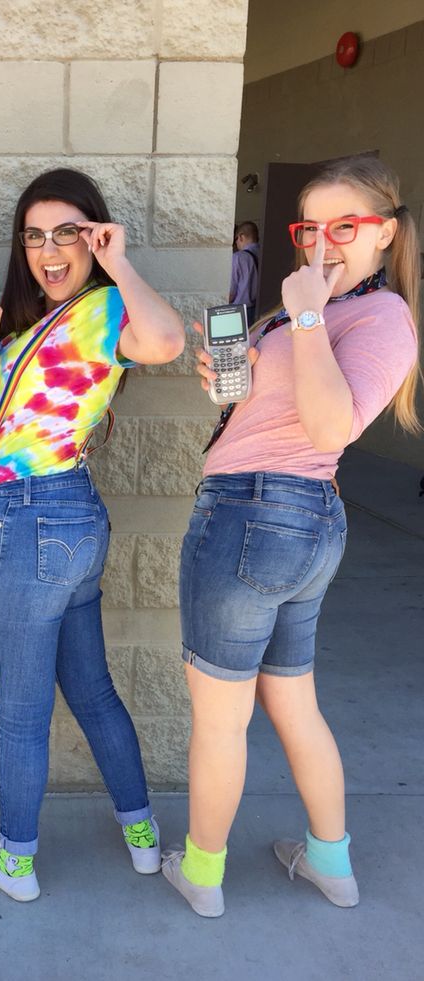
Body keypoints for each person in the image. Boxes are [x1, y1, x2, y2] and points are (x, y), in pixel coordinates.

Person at [162, 156, 420, 917]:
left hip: (254, 516)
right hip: (292, 525)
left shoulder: (379, 316)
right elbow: (281, 405)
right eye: (311, 227)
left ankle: (202, 873)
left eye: (347, 226)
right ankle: (329, 862)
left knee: (220, 716)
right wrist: (228, 384)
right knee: (290, 702)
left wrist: (305, 315)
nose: (324, 243)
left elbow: (331, 425)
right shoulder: (314, 311)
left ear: (387, 234)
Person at [0, 168, 184, 901]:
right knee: (90, 688)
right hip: (68, 520)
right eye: (34, 237)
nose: (49, 251)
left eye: (68, 234)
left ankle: (16, 860)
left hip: (29, 521)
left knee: (21, 708)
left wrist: (118, 260)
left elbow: (169, 340)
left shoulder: (107, 306)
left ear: (94, 235)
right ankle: (142, 839)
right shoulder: (23, 330)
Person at [229, 221, 260, 322]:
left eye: (236, 240)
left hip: (240, 313)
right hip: (261, 311)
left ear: (241, 237)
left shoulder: (238, 257)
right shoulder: (266, 254)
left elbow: (231, 293)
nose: (236, 243)